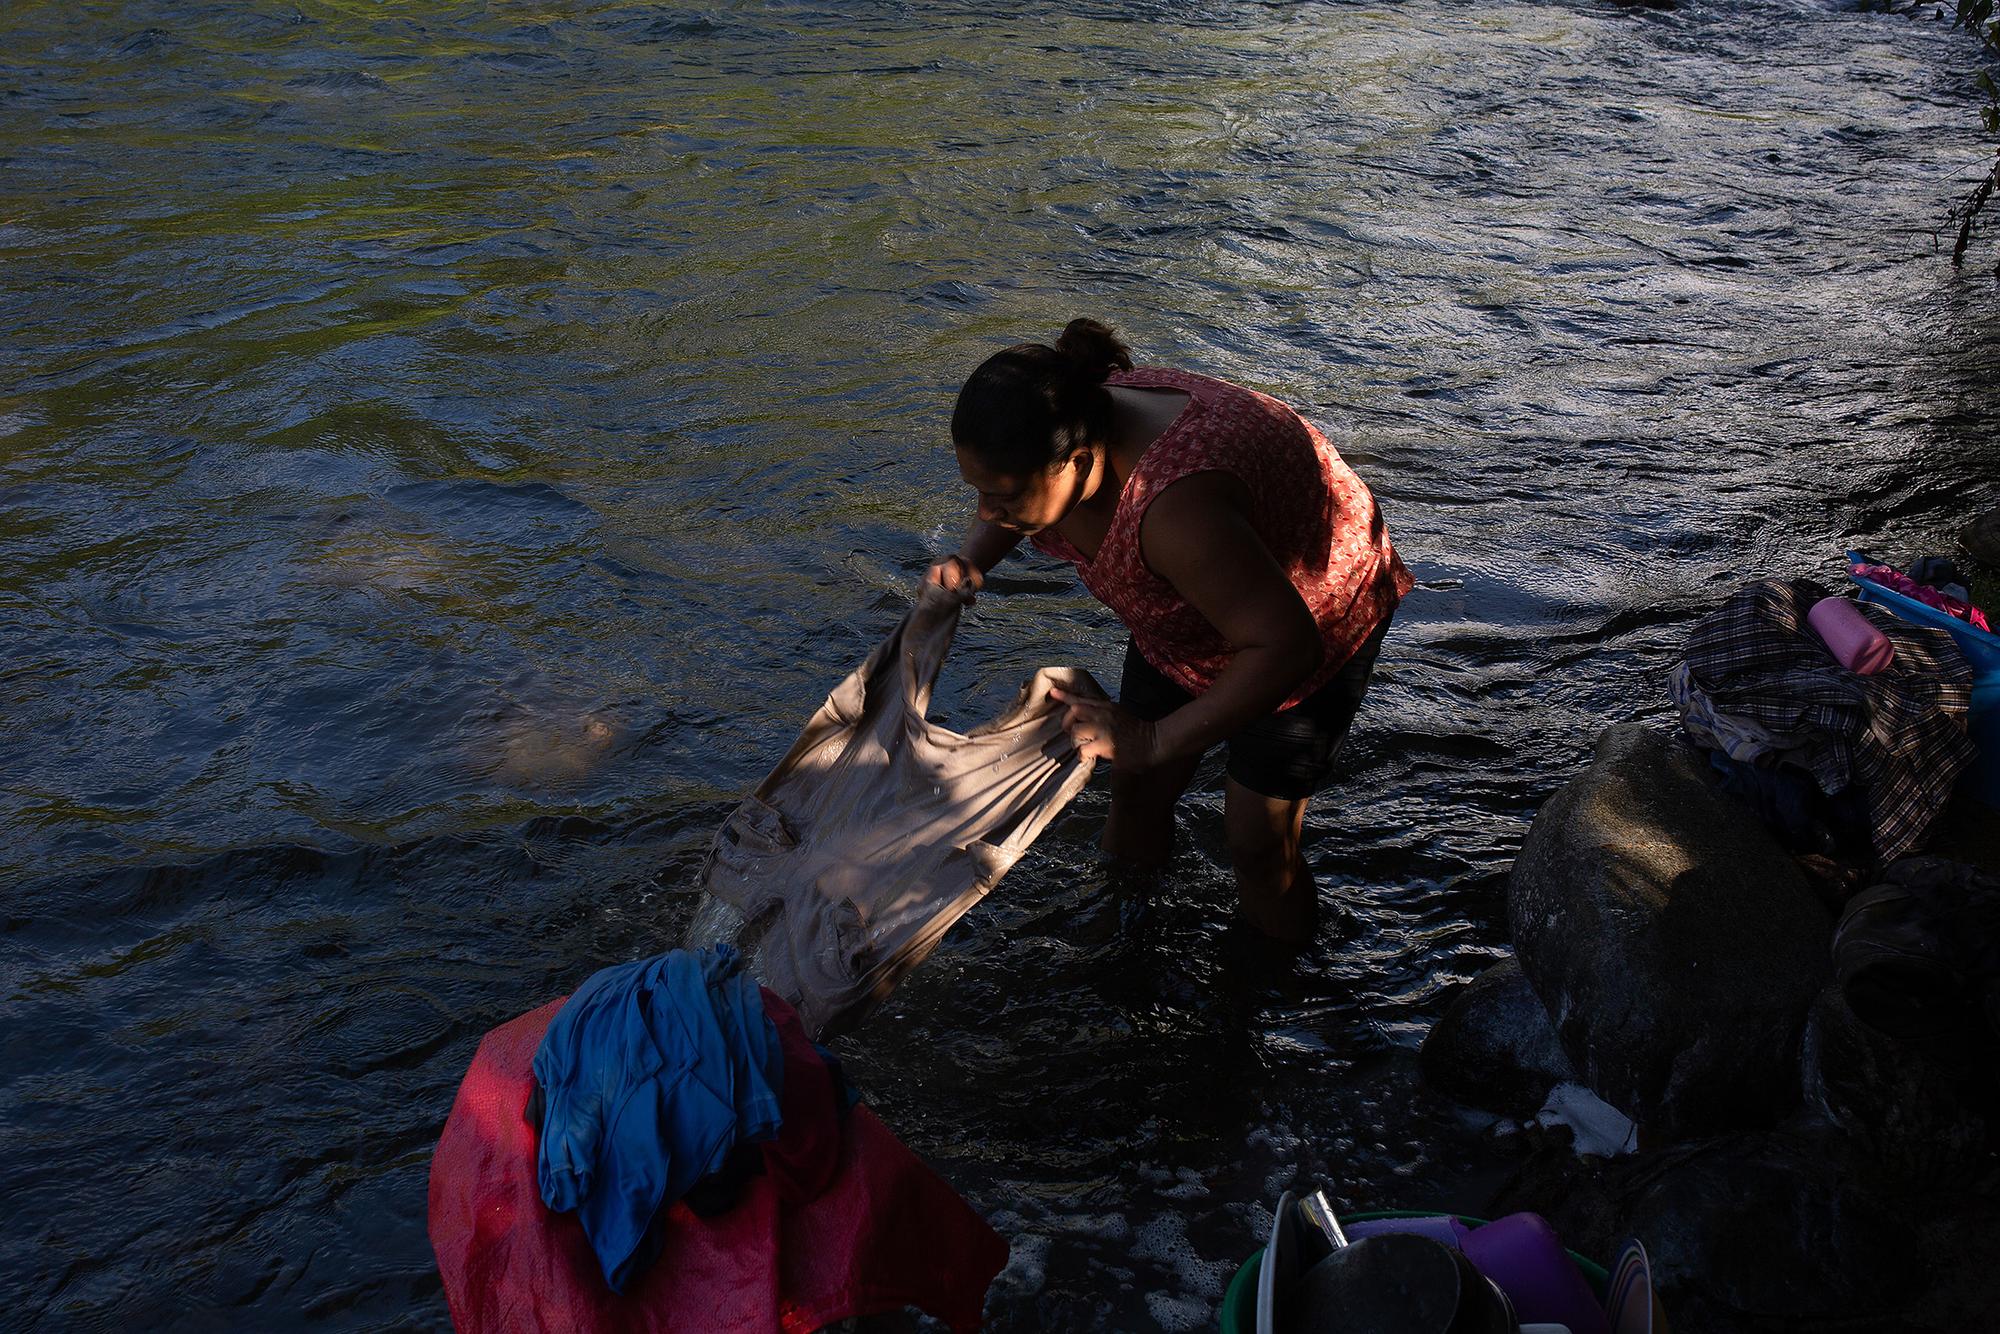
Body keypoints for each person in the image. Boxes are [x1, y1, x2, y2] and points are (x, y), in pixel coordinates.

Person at [927, 319, 1413, 943]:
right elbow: (1009, 490)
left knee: (1259, 840)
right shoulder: (1068, 418)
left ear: (1078, 464)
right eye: (979, 494)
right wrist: (973, 560)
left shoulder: (1174, 512)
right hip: (1193, 611)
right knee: (1135, 791)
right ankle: (1124, 935)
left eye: (1002, 499)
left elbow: (1289, 647)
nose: (987, 512)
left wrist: (1155, 739)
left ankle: (1279, 987)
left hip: (1312, 609)